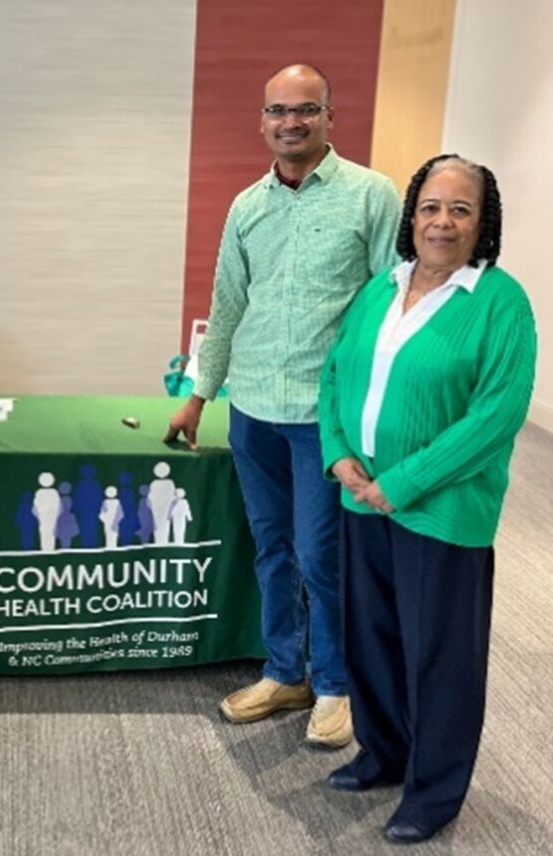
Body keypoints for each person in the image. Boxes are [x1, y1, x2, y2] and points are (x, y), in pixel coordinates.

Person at [165, 64, 401, 747]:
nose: (290, 122)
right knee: (271, 548)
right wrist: (196, 395)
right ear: (263, 120)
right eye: (277, 111)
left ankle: (335, 684)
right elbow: (228, 305)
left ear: (331, 116)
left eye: (305, 110)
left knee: (321, 554)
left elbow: (391, 303)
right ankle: (284, 670)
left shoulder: (370, 196)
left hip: (325, 417)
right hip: (254, 409)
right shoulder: (248, 206)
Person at [318, 155, 536, 844]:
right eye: (431, 207)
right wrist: (338, 454)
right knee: (372, 638)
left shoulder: (499, 302)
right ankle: (384, 753)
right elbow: (333, 374)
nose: (442, 221)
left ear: (482, 222)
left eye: (460, 209)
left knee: (438, 653)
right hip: (361, 497)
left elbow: (494, 416)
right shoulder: (381, 288)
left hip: (440, 511)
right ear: (411, 216)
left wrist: (401, 482)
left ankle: (434, 789)